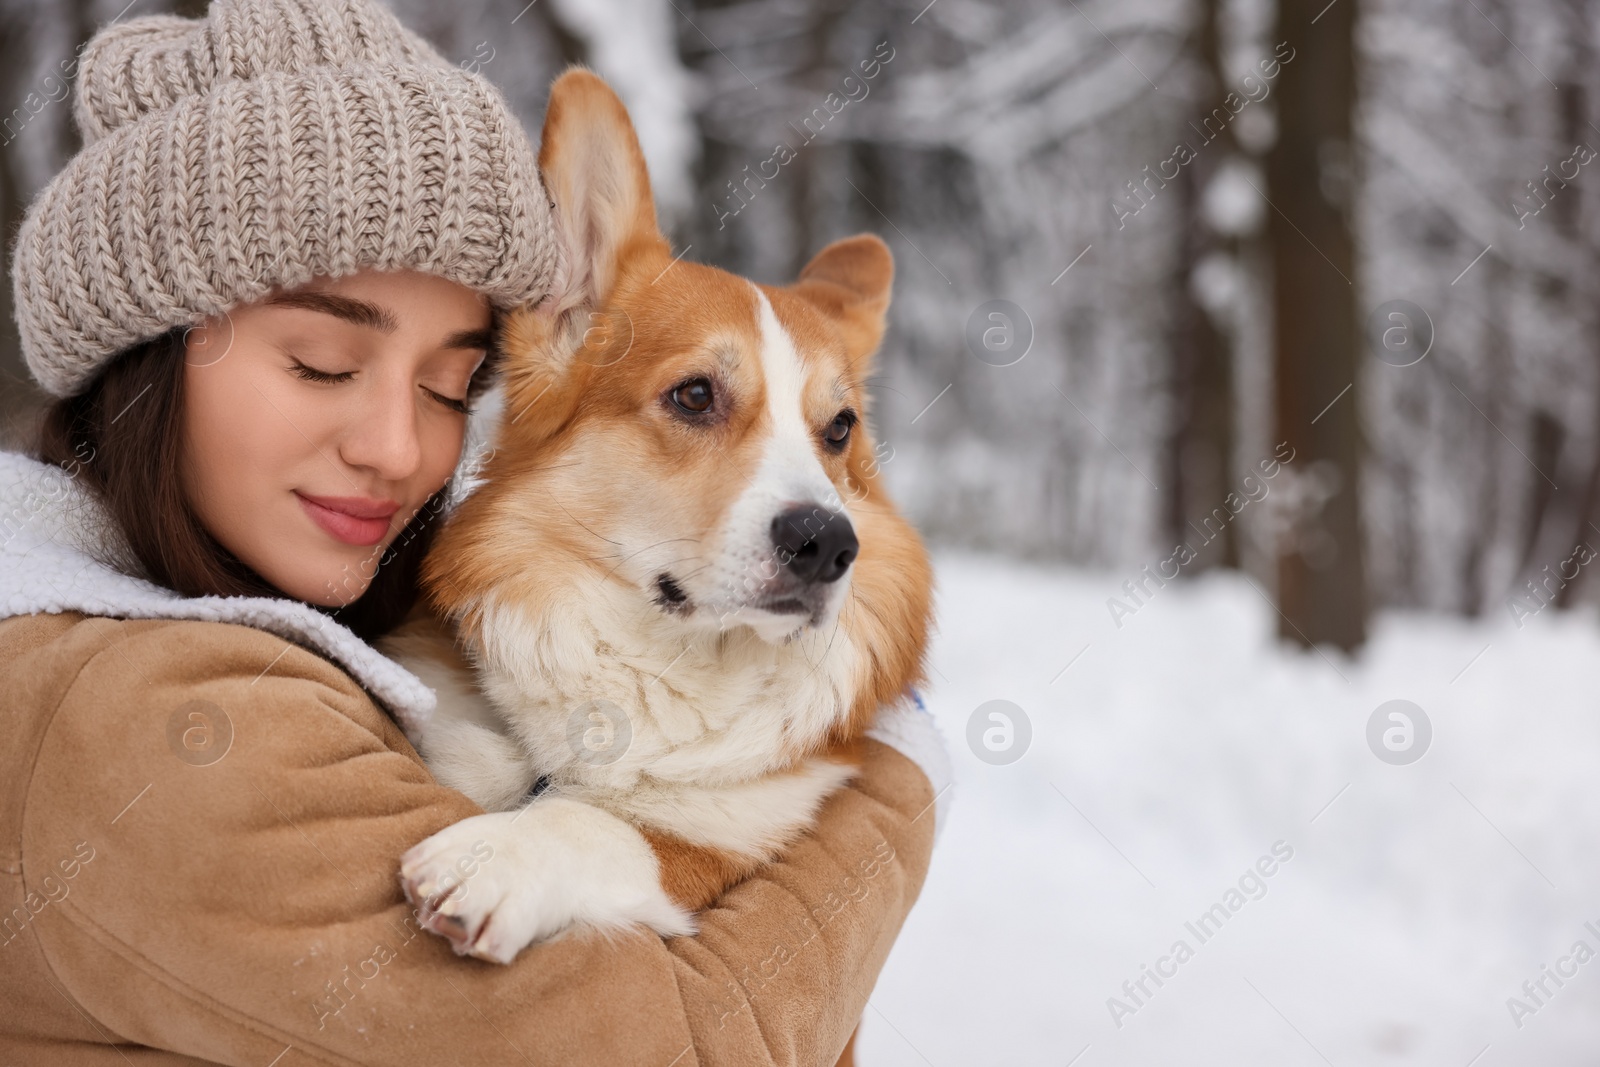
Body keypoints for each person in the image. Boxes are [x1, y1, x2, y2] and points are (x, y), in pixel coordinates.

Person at [0, 1, 954, 1064]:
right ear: (142, 361)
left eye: (454, 385)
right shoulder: (131, 714)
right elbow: (678, 1042)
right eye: (321, 361)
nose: (400, 450)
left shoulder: (326, 622)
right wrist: (892, 790)